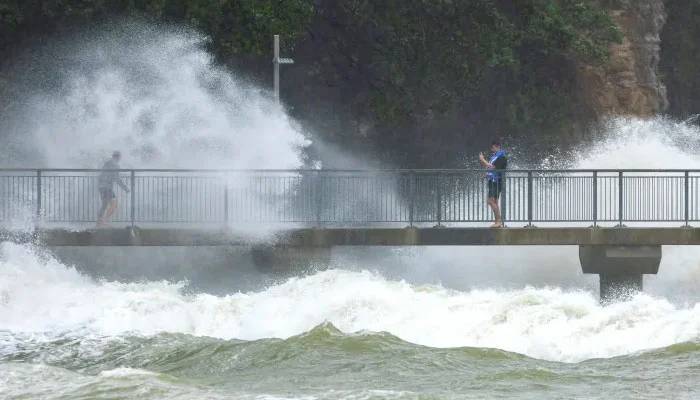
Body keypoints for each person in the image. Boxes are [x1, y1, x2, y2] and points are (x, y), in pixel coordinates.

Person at [479, 139, 507, 228]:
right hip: (493, 181)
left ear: (497, 146)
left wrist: (483, 159)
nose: (492, 149)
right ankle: (498, 222)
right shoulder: (494, 156)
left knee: (490, 201)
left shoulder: (502, 157)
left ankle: (499, 221)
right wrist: (486, 175)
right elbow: (490, 168)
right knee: (494, 201)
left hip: (497, 182)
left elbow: (494, 167)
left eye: (493, 147)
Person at [97, 151, 129, 227]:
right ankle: (104, 221)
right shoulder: (115, 165)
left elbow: (102, 174)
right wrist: (125, 188)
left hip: (101, 186)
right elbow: (117, 178)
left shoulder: (107, 163)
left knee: (104, 205)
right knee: (114, 205)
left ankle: (99, 223)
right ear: (118, 157)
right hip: (107, 187)